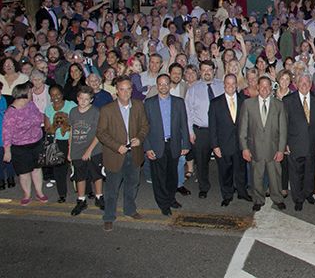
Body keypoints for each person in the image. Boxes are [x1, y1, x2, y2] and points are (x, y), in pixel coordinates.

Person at [96, 76, 149, 232]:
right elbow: (101, 133)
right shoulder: (107, 109)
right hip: (115, 154)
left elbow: (145, 125)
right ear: (117, 91)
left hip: (134, 153)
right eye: (122, 89)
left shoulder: (139, 106)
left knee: (132, 184)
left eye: (128, 89)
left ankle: (130, 210)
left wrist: (139, 138)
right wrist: (116, 146)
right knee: (112, 189)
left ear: (132, 90)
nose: (125, 93)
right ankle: (109, 216)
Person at [143, 74, 190, 216]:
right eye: (160, 84)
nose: (163, 86)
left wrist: (186, 144)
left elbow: (184, 124)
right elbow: (144, 127)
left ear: (170, 85)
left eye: (166, 84)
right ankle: (163, 203)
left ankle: (171, 199)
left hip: (173, 143)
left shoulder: (178, 102)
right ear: (157, 86)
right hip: (157, 145)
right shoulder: (149, 103)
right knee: (159, 177)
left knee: (172, 175)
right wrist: (147, 147)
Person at [240, 76, 287, 211]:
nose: (265, 89)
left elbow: (283, 130)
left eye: (268, 86)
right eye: (262, 86)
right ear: (258, 87)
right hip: (255, 148)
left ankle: (278, 198)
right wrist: (245, 148)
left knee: (275, 177)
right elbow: (243, 128)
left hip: (274, 149)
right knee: (256, 176)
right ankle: (258, 199)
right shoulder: (248, 104)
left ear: (271, 88)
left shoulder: (279, 105)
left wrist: (281, 150)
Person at [209, 74, 251, 206]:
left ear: (236, 85)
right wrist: (215, 146)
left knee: (241, 170)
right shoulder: (215, 103)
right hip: (223, 144)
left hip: (240, 144)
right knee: (225, 171)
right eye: (228, 84)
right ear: (224, 85)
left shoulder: (244, 100)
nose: (231, 86)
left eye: (233, 84)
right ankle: (227, 195)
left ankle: (242, 192)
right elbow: (213, 126)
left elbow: (249, 123)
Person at [2, 83, 48, 205]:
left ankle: (39, 192)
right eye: (30, 92)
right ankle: (27, 194)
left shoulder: (31, 105)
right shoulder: (11, 113)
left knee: (37, 169)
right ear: (23, 94)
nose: (32, 94)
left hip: (36, 142)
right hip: (20, 146)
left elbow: (40, 117)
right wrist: (7, 151)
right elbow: (7, 133)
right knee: (24, 172)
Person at [283, 73, 315, 211]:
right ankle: (298, 199)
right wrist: (285, 143)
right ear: (296, 84)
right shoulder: (288, 100)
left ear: (311, 84)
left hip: (313, 143)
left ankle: (308, 194)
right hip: (295, 143)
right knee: (296, 173)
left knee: (310, 171)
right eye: (301, 82)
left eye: (307, 82)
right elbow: (284, 124)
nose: (304, 85)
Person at [184, 60, 224, 198]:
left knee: (223, 160)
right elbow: (188, 112)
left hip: (219, 130)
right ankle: (203, 187)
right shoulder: (193, 89)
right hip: (201, 131)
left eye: (209, 69)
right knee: (201, 161)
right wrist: (190, 131)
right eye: (204, 70)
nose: (207, 72)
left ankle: (226, 186)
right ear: (200, 72)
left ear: (214, 70)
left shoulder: (223, 86)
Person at [68, 85, 104, 216]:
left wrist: (89, 151)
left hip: (94, 150)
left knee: (97, 175)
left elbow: (99, 133)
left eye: (86, 99)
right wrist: (69, 151)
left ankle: (99, 196)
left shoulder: (95, 112)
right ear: (77, 98)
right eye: (81, 98)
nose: (83, 102)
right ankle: (81, 200)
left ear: (91, 100)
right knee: (79, 176)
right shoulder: (73, 112)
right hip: (77, 150)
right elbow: (71, 131)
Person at [44, 84, 77, 203]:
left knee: (78, 166)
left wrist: (67, 127)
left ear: (62, 95)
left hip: (73, 140)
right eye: (52, 95)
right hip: (57, 142)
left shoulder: (71, 105)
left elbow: (77, 121)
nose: (55, 97)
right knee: (59, 170)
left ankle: (86, 191)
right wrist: (55, 126)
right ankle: (62, 194)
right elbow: (47, 129)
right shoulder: (48, 109)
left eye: (57, 94)